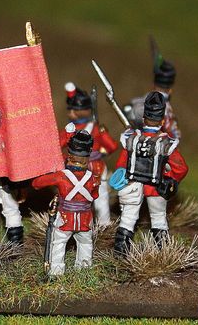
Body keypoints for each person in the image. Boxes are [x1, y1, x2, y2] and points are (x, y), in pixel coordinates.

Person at [111, 91, 188, 256]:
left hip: (133, 185)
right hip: (155, 188)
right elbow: (181, 168)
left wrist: (122, 181)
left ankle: (120, 253)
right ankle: (163, 253)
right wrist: (169, 179)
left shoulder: (132, 138)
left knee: (127, 219)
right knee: (159, 219)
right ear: (162, 121)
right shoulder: (166, 143)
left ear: (144, 118)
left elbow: (121, 165)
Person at [32, 130, 100, 276]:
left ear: (70, 156)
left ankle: (56, 272)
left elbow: (36, 183)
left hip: (65, 218)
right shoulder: (94, 179)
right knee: (85, 243)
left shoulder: (60, 177)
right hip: (85, 220)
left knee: (58, 243)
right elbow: (95, 195)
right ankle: (84, 269)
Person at [59, 82, 118, 227]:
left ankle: (87, 224)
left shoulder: (73, 129)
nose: (70, 113)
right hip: (93, 167)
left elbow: (58, 145)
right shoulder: (95, 129)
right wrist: (100, 153)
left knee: (80, 196)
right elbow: (111, 147)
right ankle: (101, 224)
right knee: (99, 197)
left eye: (73, 110)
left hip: (80, 168)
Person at [124, 51, 180, 138]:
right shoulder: (167, 107)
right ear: (169, 90)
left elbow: (135, 114)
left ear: (154, 84)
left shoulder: (155, 106)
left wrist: (130, 109)